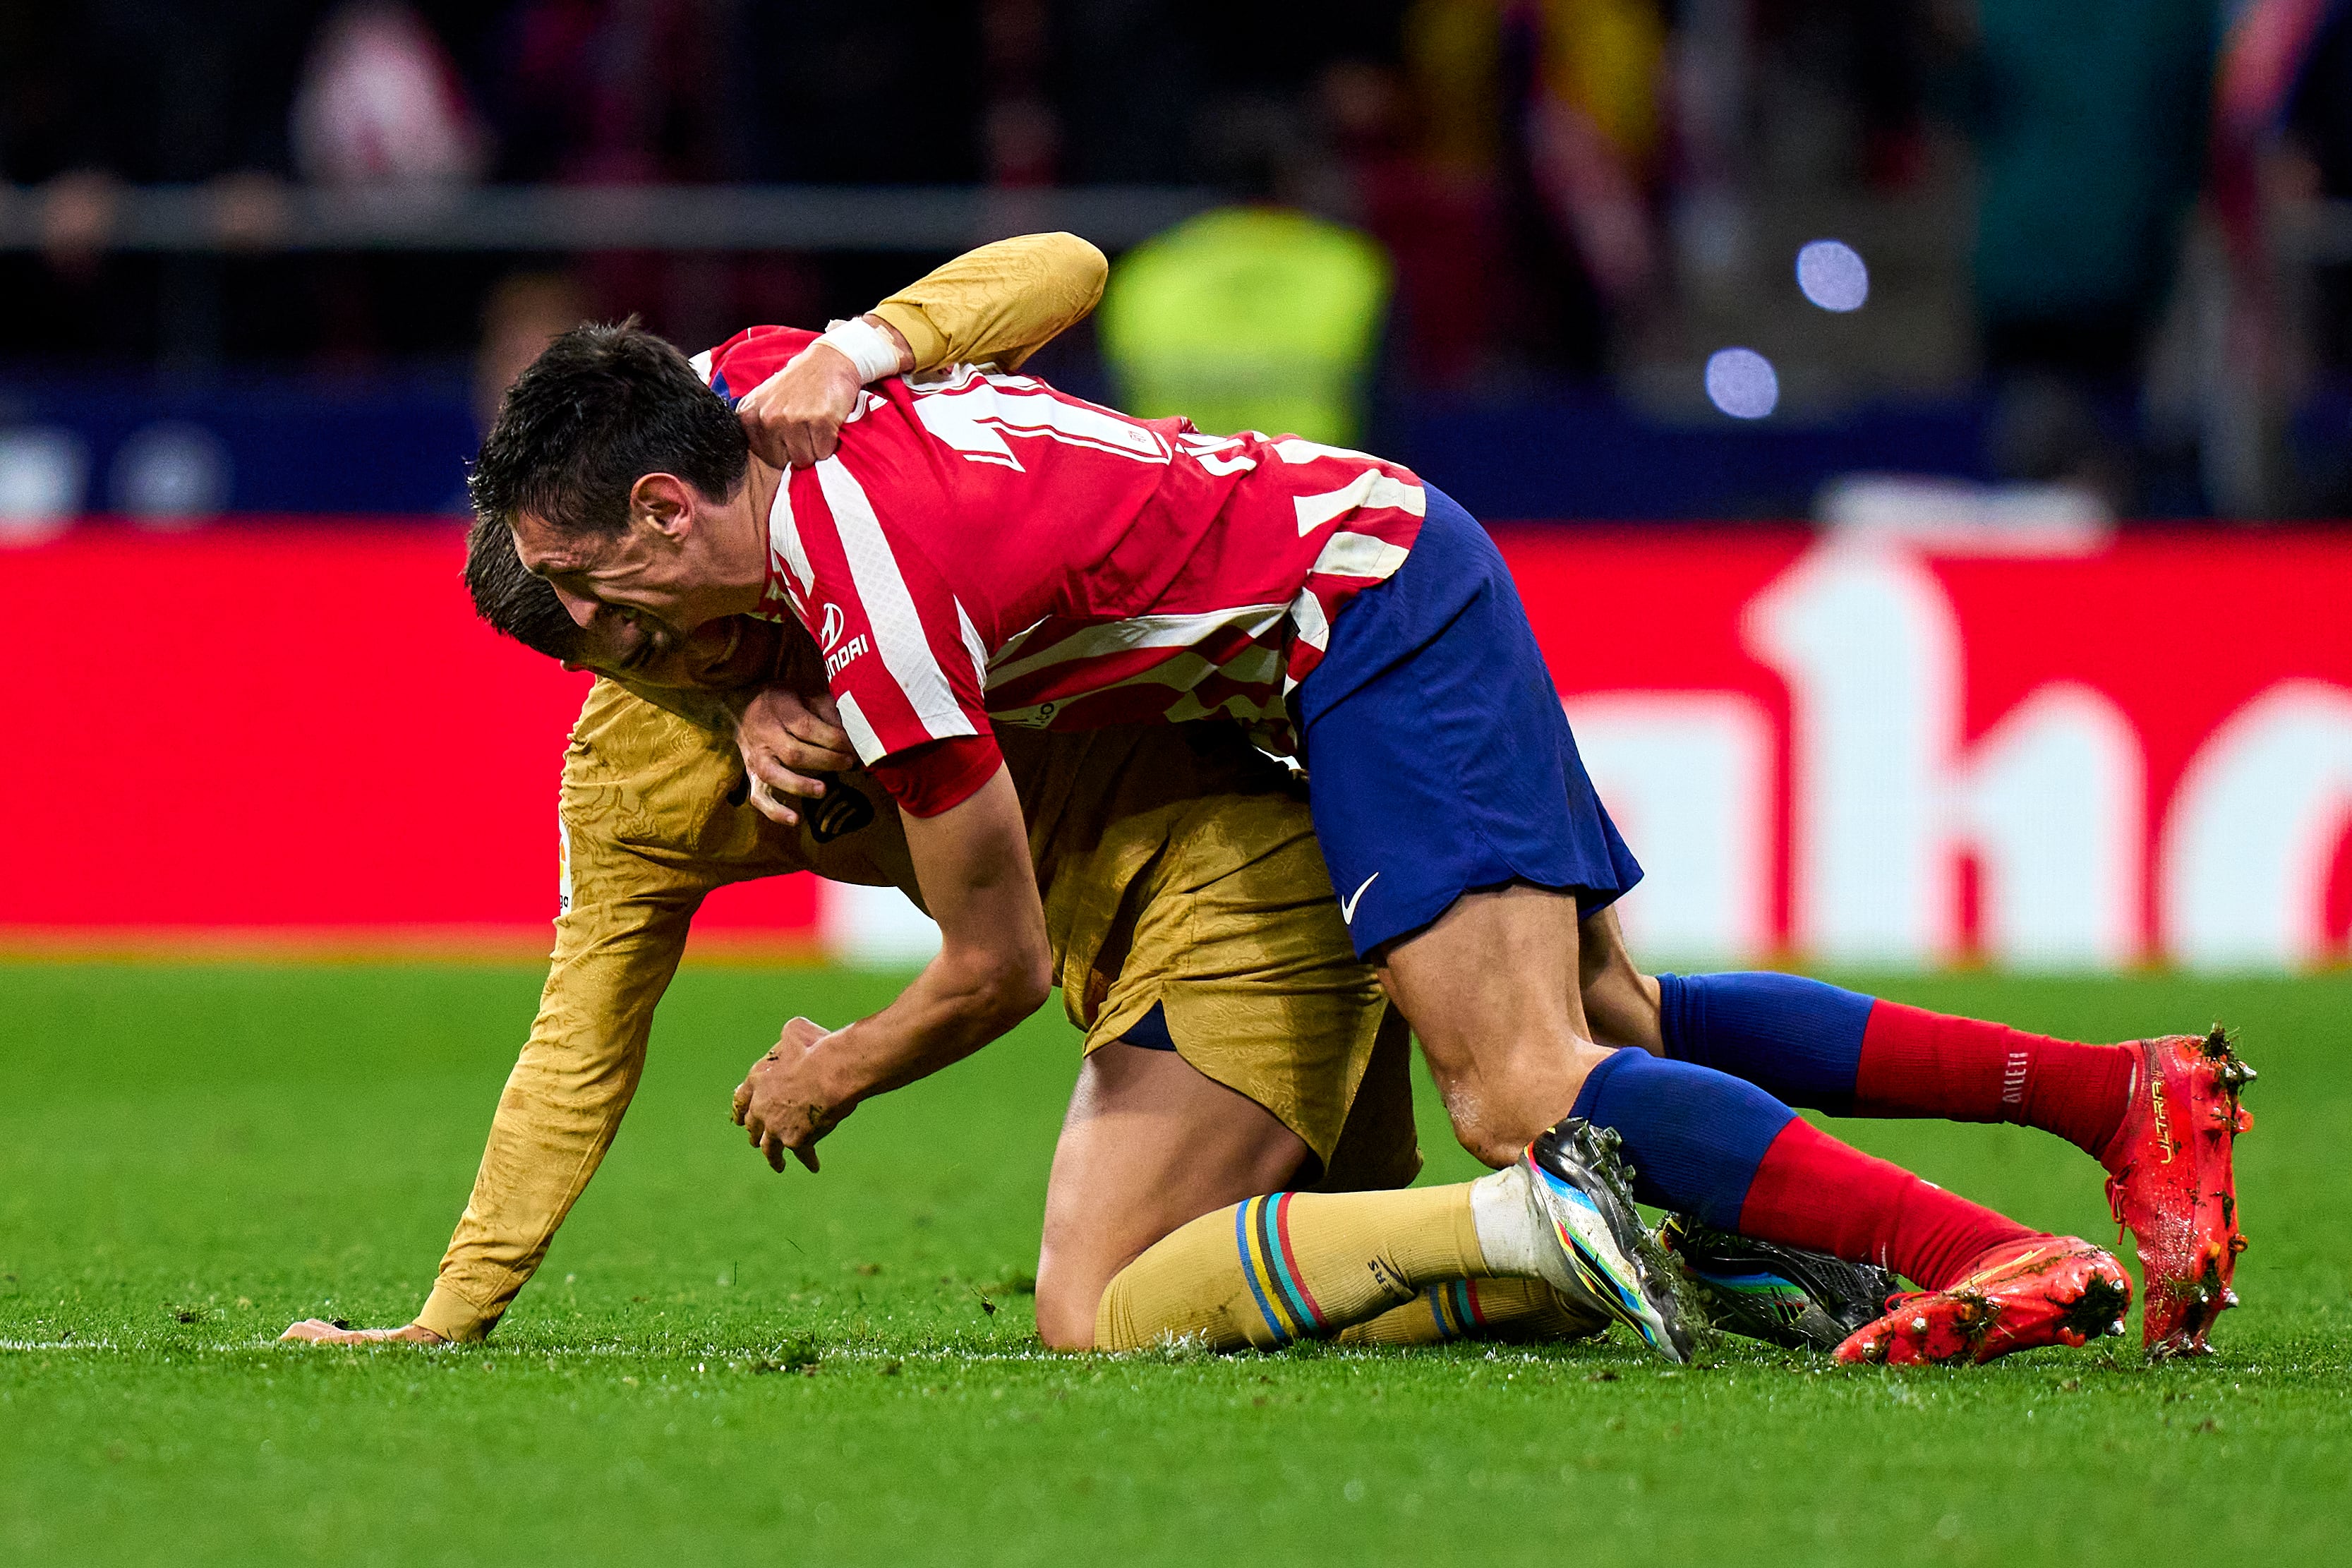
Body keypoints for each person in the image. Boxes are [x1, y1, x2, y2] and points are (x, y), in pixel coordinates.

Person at [469, 252, 2248, 1363]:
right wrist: (861, 358)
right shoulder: (765, 400)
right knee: (1615, 1018)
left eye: (588, 589)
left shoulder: (881, 613)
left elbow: (997, 962)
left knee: (1518, 1087)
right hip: (1376, 553)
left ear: (654, 512)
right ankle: (2119, 1097)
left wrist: (839, 1056)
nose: (595, 636)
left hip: (1354, 616)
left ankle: (1976, 1251)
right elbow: (1052, 270)